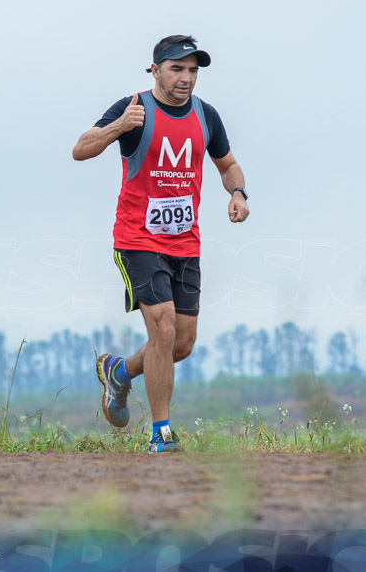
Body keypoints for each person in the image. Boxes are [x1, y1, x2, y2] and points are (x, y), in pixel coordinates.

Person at [72, 34, 249, 453]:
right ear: (154, 70)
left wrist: (238, 193)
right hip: (137, 239)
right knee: (163, 326)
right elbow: (80, 149)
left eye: (192, 70)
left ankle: (119, 373)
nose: (186, 78)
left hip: (185, 244)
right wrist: (118, 127)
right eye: (176, 69)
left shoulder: (206, 116)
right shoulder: (133, 108)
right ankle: (162, 434)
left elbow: (228, 164)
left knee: (179, 344)